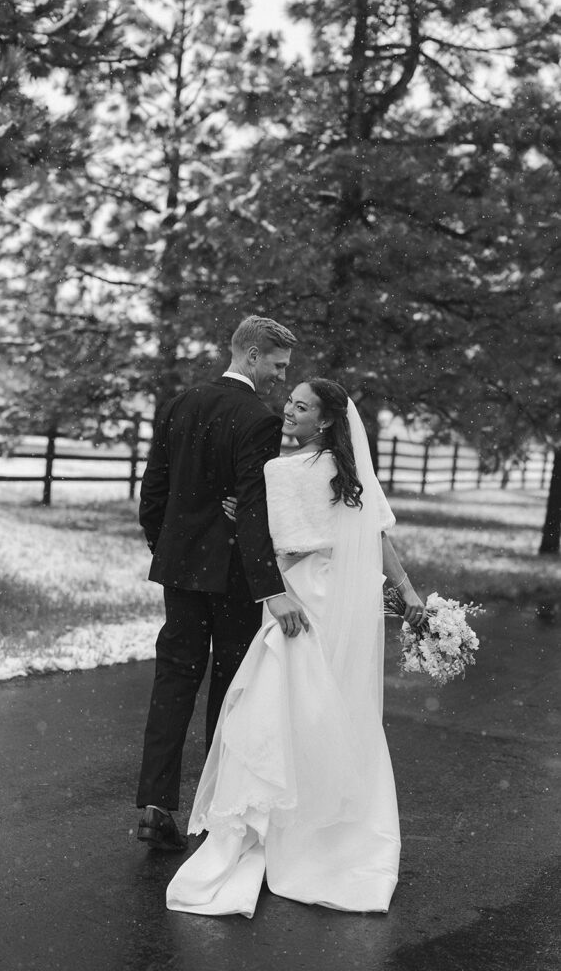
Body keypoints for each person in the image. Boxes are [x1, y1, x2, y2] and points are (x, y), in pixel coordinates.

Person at [166, 378, 425, 916]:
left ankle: (278, 826)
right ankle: (325, 826)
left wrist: (248, 518)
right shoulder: (348, 473)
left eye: (301, 407)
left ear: (324, 420)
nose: (288, 411)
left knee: (276, 710)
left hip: (297, 599)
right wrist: (405, 589)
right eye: (289, 402)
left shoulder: (281, 473)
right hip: (338, 600)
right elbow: (375, 537)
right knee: (329, 708)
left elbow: (275, 545)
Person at [136, 316, 310, 852]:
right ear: (252, 356)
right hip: (233, 575)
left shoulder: (179, 404)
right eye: (278, 366)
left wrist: (167, 548)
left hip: (181, 570)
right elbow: (252, 509)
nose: (282, 377)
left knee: (173, 682)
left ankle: (155, 806)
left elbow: (153, 492)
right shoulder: (256, 419)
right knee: (231, 688)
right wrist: (269, 587)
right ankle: (215, 813)